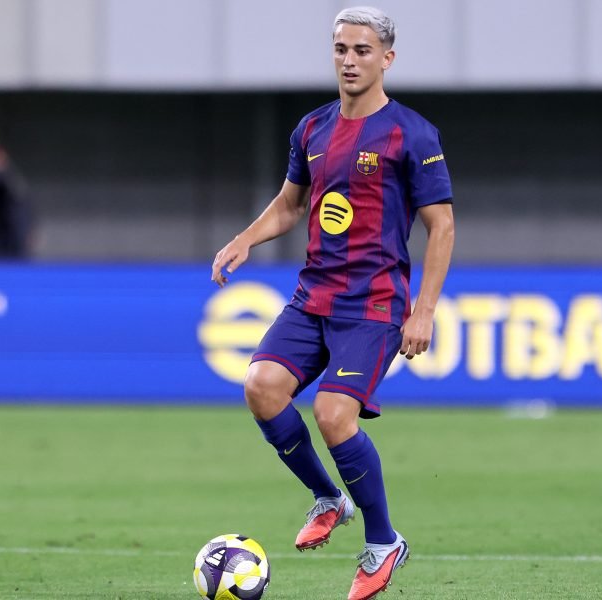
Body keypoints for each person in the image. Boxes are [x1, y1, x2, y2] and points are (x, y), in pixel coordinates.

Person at [210, 7, 455, 599]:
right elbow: (291, 204)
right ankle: (328, 498)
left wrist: (423, 310)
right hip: (313, 293)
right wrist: (246, 238)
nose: (349, 59)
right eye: (341, 48)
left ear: (386, 59)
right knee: (261, 386)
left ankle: (383, 542)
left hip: (373, 304)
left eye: (362, 50)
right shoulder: (312, 129)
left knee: (332, 414)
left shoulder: (412, 134)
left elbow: (441, 225)